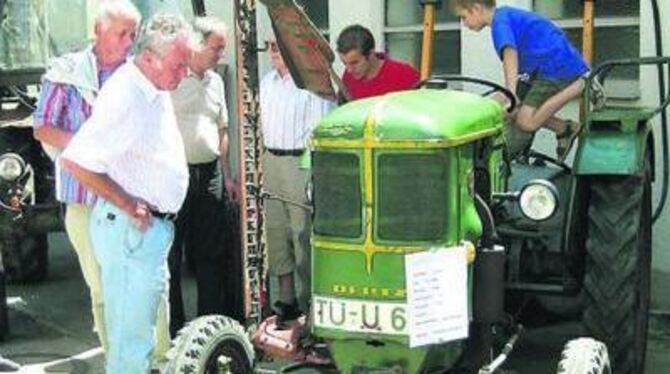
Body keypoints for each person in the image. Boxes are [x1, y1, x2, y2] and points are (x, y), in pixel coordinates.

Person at [32, 0, 170, 361]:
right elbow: (43, 126)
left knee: (150, 287)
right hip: (84, 201)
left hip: (134, 199)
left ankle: (159, 362)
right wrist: (90, 148)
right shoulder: (67, 73)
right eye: (121, 33)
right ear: (98, 31)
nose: (128, 42)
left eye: (132, 34)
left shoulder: (140, 74)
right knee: (103, 289)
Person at [59, 13, 191, 374]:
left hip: (147, 232)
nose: (184, 74)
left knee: (141, 339)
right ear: (149, 58)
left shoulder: (151, 84)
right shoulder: (127, 95)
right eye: (179, 65)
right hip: (131, 231)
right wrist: (127, 202)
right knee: (130, 349)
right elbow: (77, 161)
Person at [168, 16, 241, 336]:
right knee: (171, 255)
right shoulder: (171, 78)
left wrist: (227, 176)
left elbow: (222, 129)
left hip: (210, 174)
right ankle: (173, 330)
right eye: (217, 47)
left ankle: (208, 328)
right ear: (197, 45)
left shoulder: (215, 81)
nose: (221, 54)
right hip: (174, 177)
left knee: (210, 254)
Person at [450, 0, 588, 161]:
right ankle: (564, 128)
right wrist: (508, 95)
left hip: (555, 68)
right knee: (495, 104)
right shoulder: (505, 16)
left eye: (463, 17)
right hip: (540, 70)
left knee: (525, 122)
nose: (464, 24)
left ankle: (582, 84)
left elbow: (510, 54)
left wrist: (511, 93)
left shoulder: (500, 24)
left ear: (476, 9)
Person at [260, 37, 335, 322]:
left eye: (278, 45)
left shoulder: (311, 84)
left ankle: (311, 304)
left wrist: (315, 175)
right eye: (269, 45)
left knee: (302, 232)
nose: (273, 50)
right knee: (276, 231)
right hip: (271, 160)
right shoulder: (267, 83)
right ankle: (287, 299)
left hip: (300, 161)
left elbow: (320, 133)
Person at [336, 24, 420, 101]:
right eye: (344, 63)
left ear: (371, 54)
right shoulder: (348, 77)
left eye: (354, 63)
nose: (349, 70)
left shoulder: (405, 75)